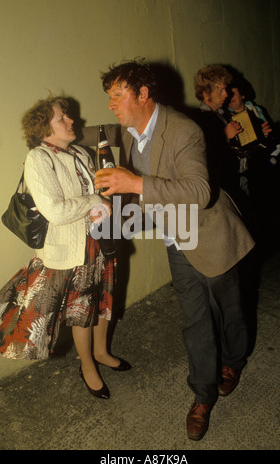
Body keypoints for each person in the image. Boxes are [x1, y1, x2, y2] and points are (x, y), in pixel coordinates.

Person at [79, 59, 255, 440]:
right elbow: (142, 198)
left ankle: (234, 361)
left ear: (143, 94)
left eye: (118, 96)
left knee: (231, 309)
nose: (111, 104)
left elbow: (199, 191)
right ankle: (202, 395)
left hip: (210, 234)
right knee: (195, 320)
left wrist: (136, 183)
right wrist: (108, 212)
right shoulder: (126, 136)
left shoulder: (183, 130)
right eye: (109, 97)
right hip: (178, 240)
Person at [0, 96, 131, 400]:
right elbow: (55, 211)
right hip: (72, 250)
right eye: (62, 119)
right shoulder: (39, 158)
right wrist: (95, 201)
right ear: (45, 130)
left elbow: (96, 190)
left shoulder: (80, 153)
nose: (71, 121)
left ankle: (101, 351)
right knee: (82, 311)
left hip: (100, 240)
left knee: (104, 303)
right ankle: (87, 367)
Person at [194, 65, 246, 210]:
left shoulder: (223, 114)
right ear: (205, 93)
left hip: (238, 180)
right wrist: (225, 135)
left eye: (225, 89)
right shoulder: (200, 119)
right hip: (222, 190)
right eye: (221, 90)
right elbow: (206, 157)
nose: (226, 94)